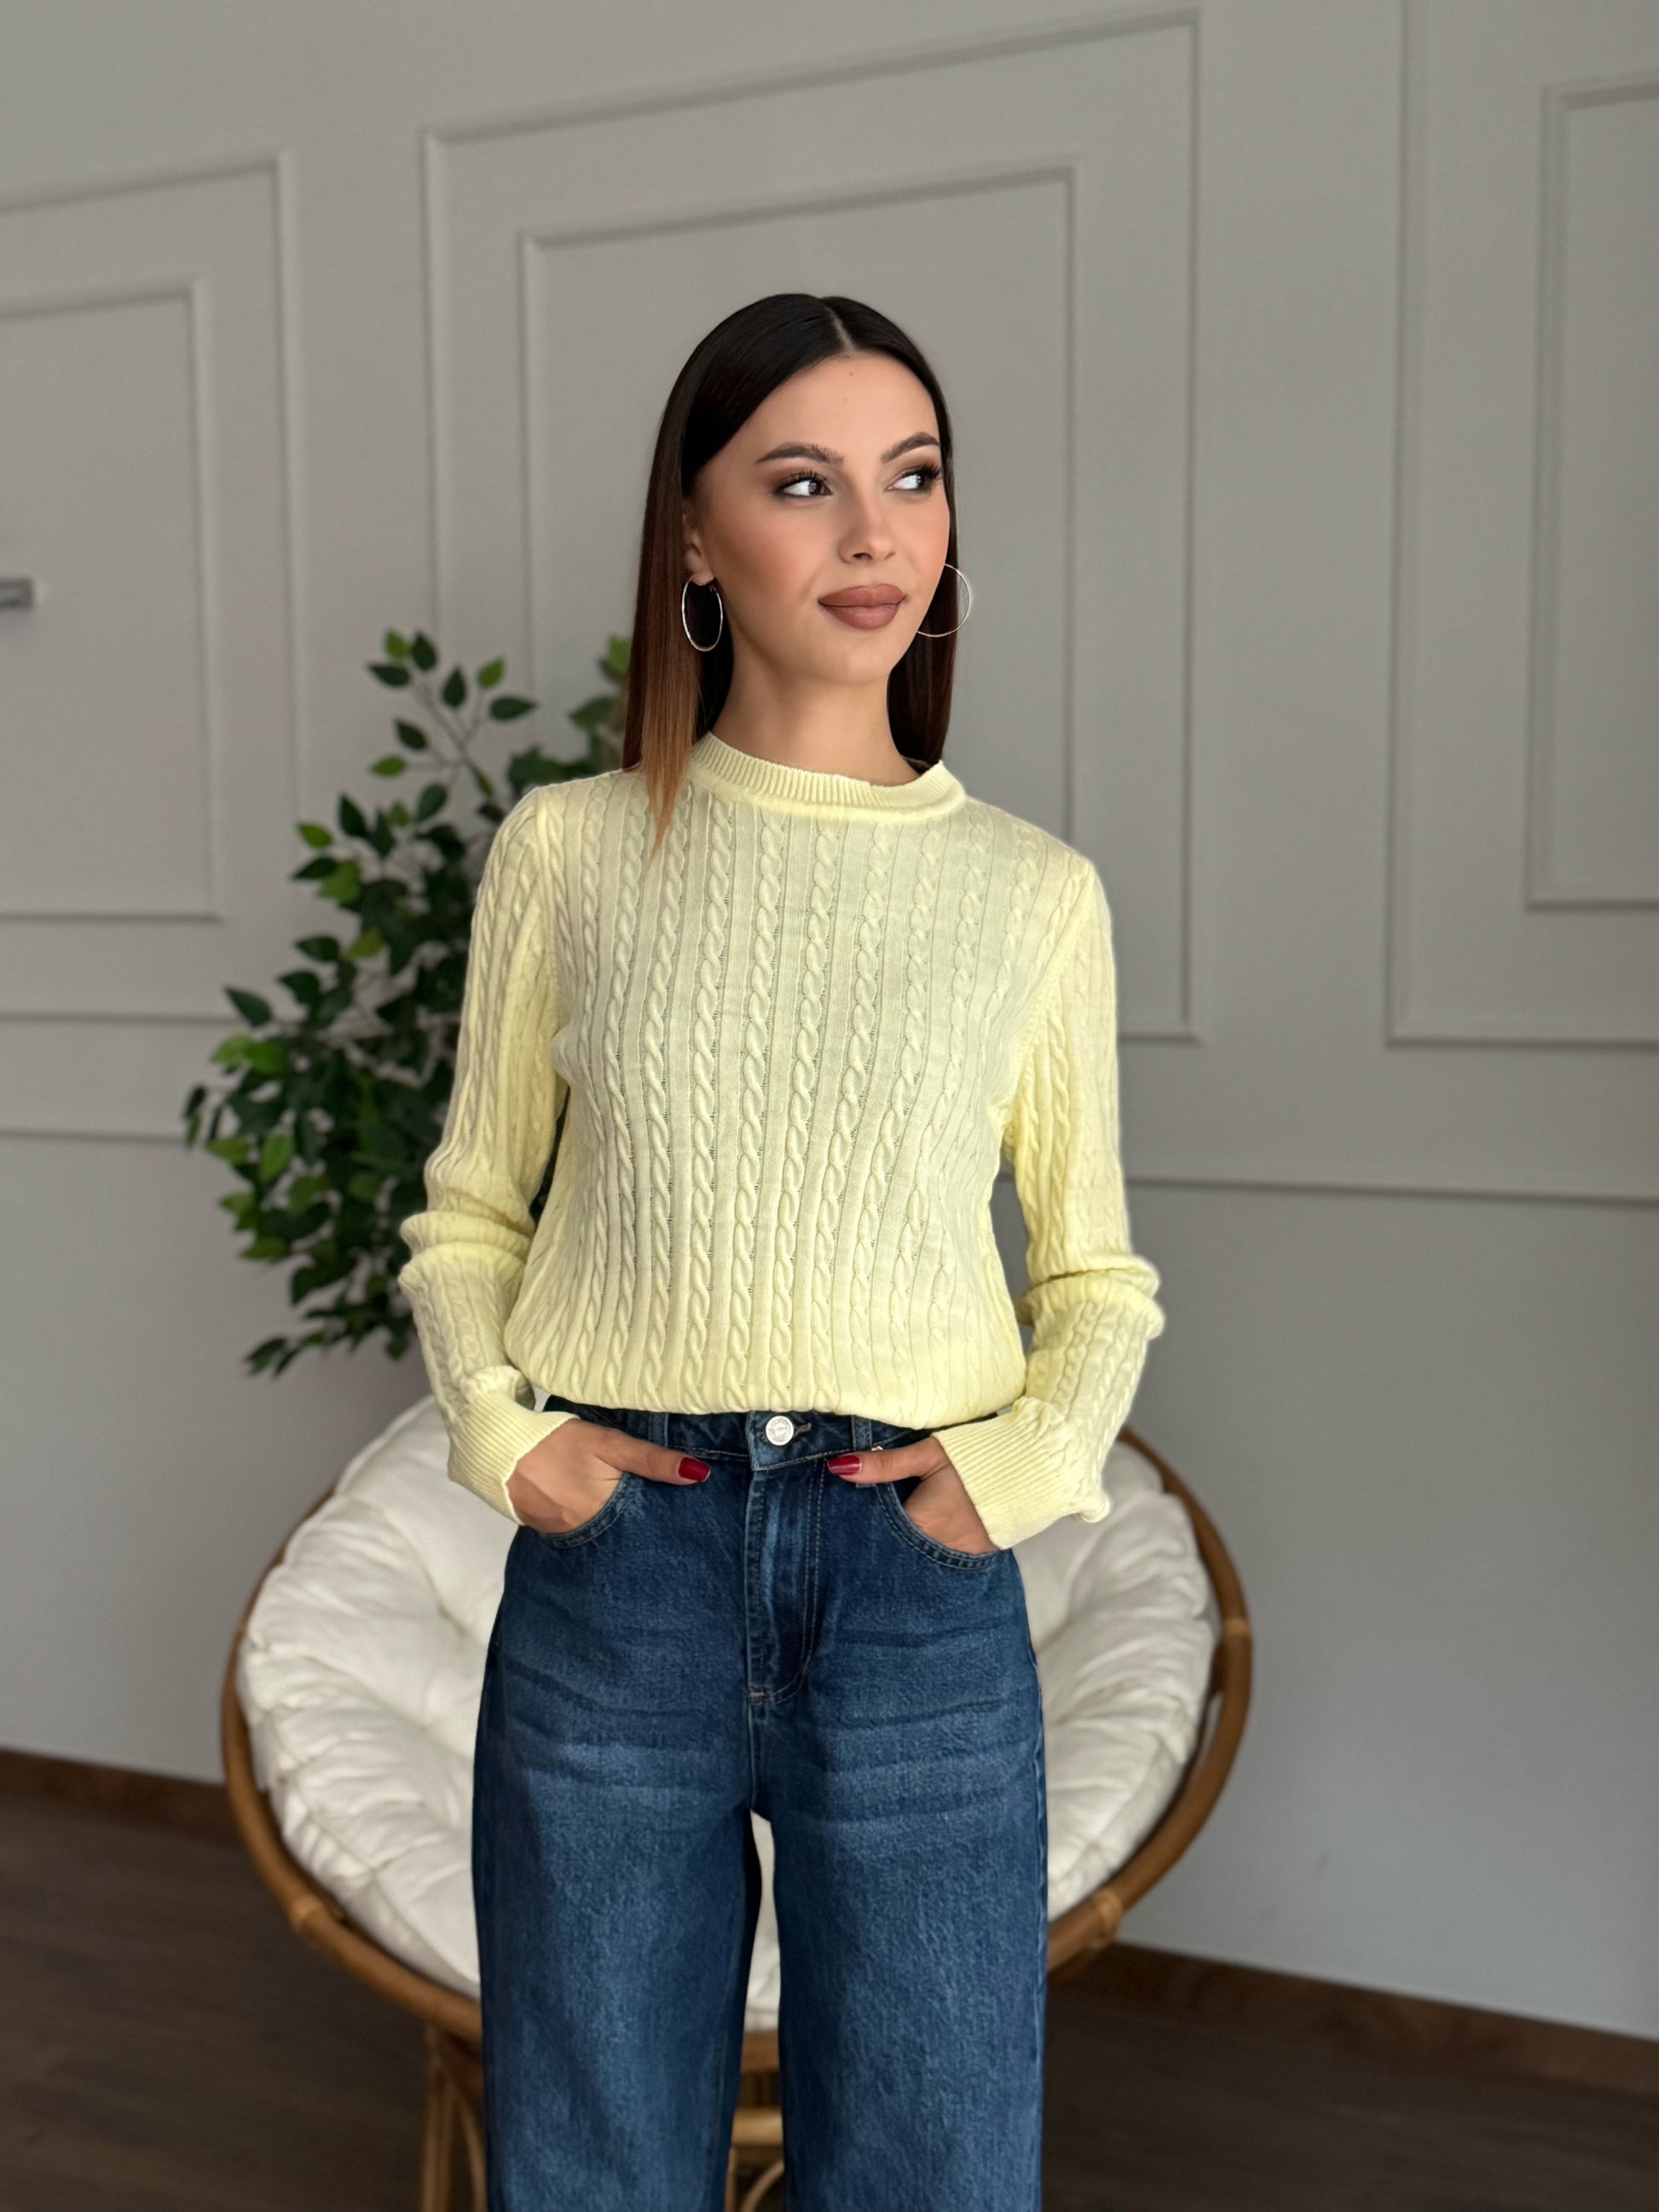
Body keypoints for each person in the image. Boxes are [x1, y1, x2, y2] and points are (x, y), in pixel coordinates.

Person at [397, 291, 1165, 2212]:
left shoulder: (1030, 893)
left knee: (933, 2166)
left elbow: (1093, 1279)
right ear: (694, 535)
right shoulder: (568, 852)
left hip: (913, 1575)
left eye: (914, 477)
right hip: (618, 1563)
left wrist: (1011, 1477)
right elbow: (470, 1209)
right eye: (804, 482)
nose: (876, 534)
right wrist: (506, 1435)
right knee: (588, 2164)